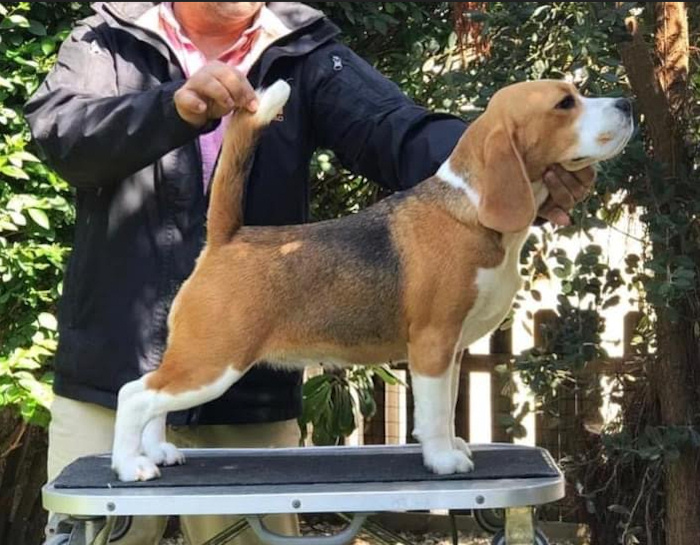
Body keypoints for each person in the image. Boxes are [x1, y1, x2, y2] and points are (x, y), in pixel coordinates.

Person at [25, 2, 594, 544]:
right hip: (108, 374)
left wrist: (511, 164)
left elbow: (394, 129)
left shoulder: (307, 50)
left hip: (251, 407)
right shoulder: (107, 37)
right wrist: (170, 108)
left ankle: (146, 420)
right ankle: (141, 421)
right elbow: (59, 133)